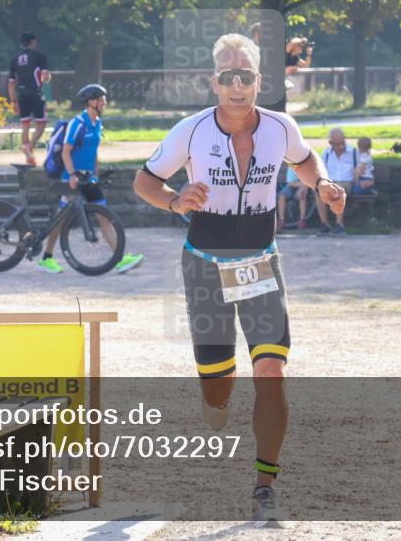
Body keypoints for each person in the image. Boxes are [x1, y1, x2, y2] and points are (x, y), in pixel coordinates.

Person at [132, 33, 345, 526]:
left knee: (270, 370)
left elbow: (306, 160)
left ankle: (264, 486)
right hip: (205, 262)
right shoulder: (189, 131)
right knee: (218, 389)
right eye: (227, 76)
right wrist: (173, 200)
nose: (236, 85)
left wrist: (325, 183)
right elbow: (144, 180)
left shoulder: (279, 127)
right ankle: (214, 400)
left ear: (258, 81)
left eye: (244, 76)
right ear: (215, 82)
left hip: (259, 259)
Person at [37, 84, 143, 275]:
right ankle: (47, 258)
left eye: (104, 100)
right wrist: (71, 175)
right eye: (101, 100)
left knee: (104, 215)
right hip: (71, 179)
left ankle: (120, 258)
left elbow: (93, 153)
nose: (105, 103)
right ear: (91, 102)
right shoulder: (78, 123)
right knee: (59, 220)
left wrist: (95, 175)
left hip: (87, 178)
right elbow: (66, 152)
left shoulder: (97, 124)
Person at [8, 32, 52, 165]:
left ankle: (30, 158)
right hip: (36, 94)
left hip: (21, 95)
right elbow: (45, 77)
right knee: (41, 124)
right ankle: (30, 146)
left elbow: (11, 84)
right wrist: (49, 76)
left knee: (25, 126)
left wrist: (13, 101)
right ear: (33, 42)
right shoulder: (39, 57)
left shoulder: (15, 59)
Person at [315, 127, 359, 236]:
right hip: (330, 182)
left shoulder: (353, 152)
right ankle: (324, 224)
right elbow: (320, 170)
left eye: (342, 142)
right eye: (338, 144)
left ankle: (339, 225)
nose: (341, 146)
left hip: (347, 182)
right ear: (331, 143)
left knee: (337, 189)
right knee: (318, 192)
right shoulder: (327, 153)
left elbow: (365, 167)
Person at [276, 166, 308, 230]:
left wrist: (302, 187)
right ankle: (281, 220)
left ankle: (302, 219)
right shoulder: (291, 166)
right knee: (281, 196)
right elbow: (290, 182)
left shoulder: (307, 166)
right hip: (293, 185)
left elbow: (308, 181)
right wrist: (301, 185)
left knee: (302, 195)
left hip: (305, 186)